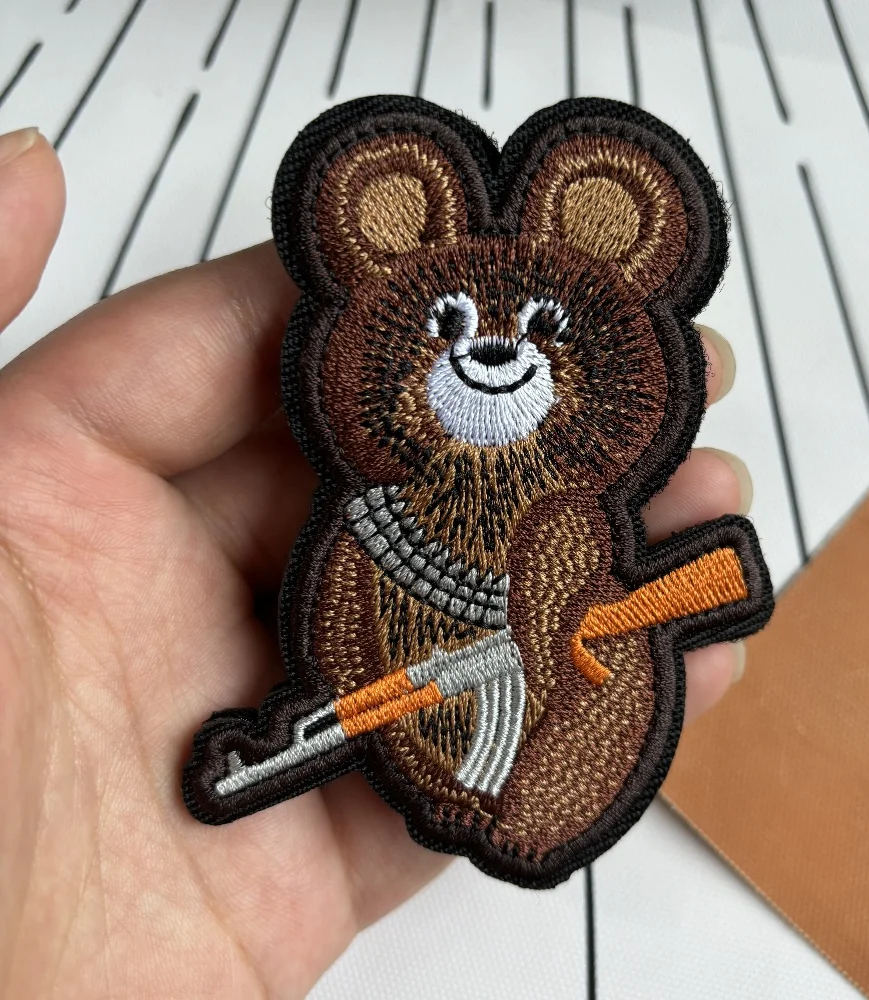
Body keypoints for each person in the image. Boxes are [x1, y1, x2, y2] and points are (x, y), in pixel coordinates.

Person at [0, 127, 753, 998]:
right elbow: (347, 629)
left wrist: (560, 624)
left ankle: (536, 810)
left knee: (595, 663)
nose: (493, 350)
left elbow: (587, 618)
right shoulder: (373, 527)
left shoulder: (570, 530)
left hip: (560, 711)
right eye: (451, 325)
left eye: (541, 329)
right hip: (415, 736)